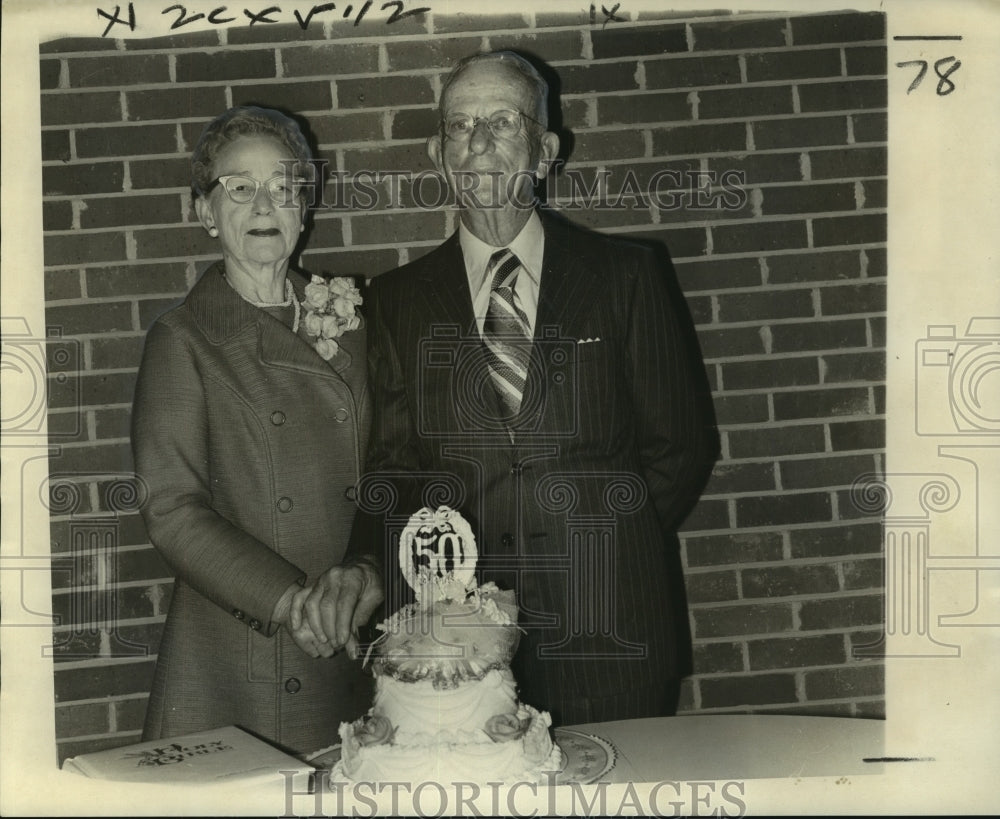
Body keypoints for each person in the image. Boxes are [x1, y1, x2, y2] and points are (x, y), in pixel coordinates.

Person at [302, 51, 719, 726]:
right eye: (459, 125)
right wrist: (364, 562)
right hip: (462, 648)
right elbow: (396, 471)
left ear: (545, 150)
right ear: (440, 153)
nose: (479, 142)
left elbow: (680, 448)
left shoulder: (627, 277)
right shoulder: (400, 303)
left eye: (502, 121)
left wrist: (602, 542)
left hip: (612, 631)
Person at [131, 105, 378, 755]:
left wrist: (366, 573)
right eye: (240, 187)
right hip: (247, 641)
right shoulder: (183, 338)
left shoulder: (354, 324)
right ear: (205, 211)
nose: (265, 202)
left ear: (306, 201)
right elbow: (173, 510)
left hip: (350, 628)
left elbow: (389, 474)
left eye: (284, 184)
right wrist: (291, 601)